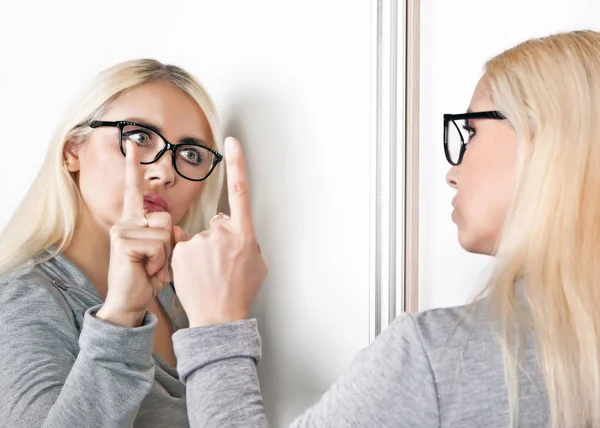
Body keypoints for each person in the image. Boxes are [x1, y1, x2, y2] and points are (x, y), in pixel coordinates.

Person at [169, 30, 600, 427]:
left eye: (470, 132)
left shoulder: (438, 359)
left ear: (544, 139)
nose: (453, 173)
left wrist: (215, 326)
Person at [0, 59, 268, 427]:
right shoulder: (20, 297)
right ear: (72, 151)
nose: (165, 172)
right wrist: (121, 317)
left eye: (190, 154)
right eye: (139, 137)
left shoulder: (181, 293)